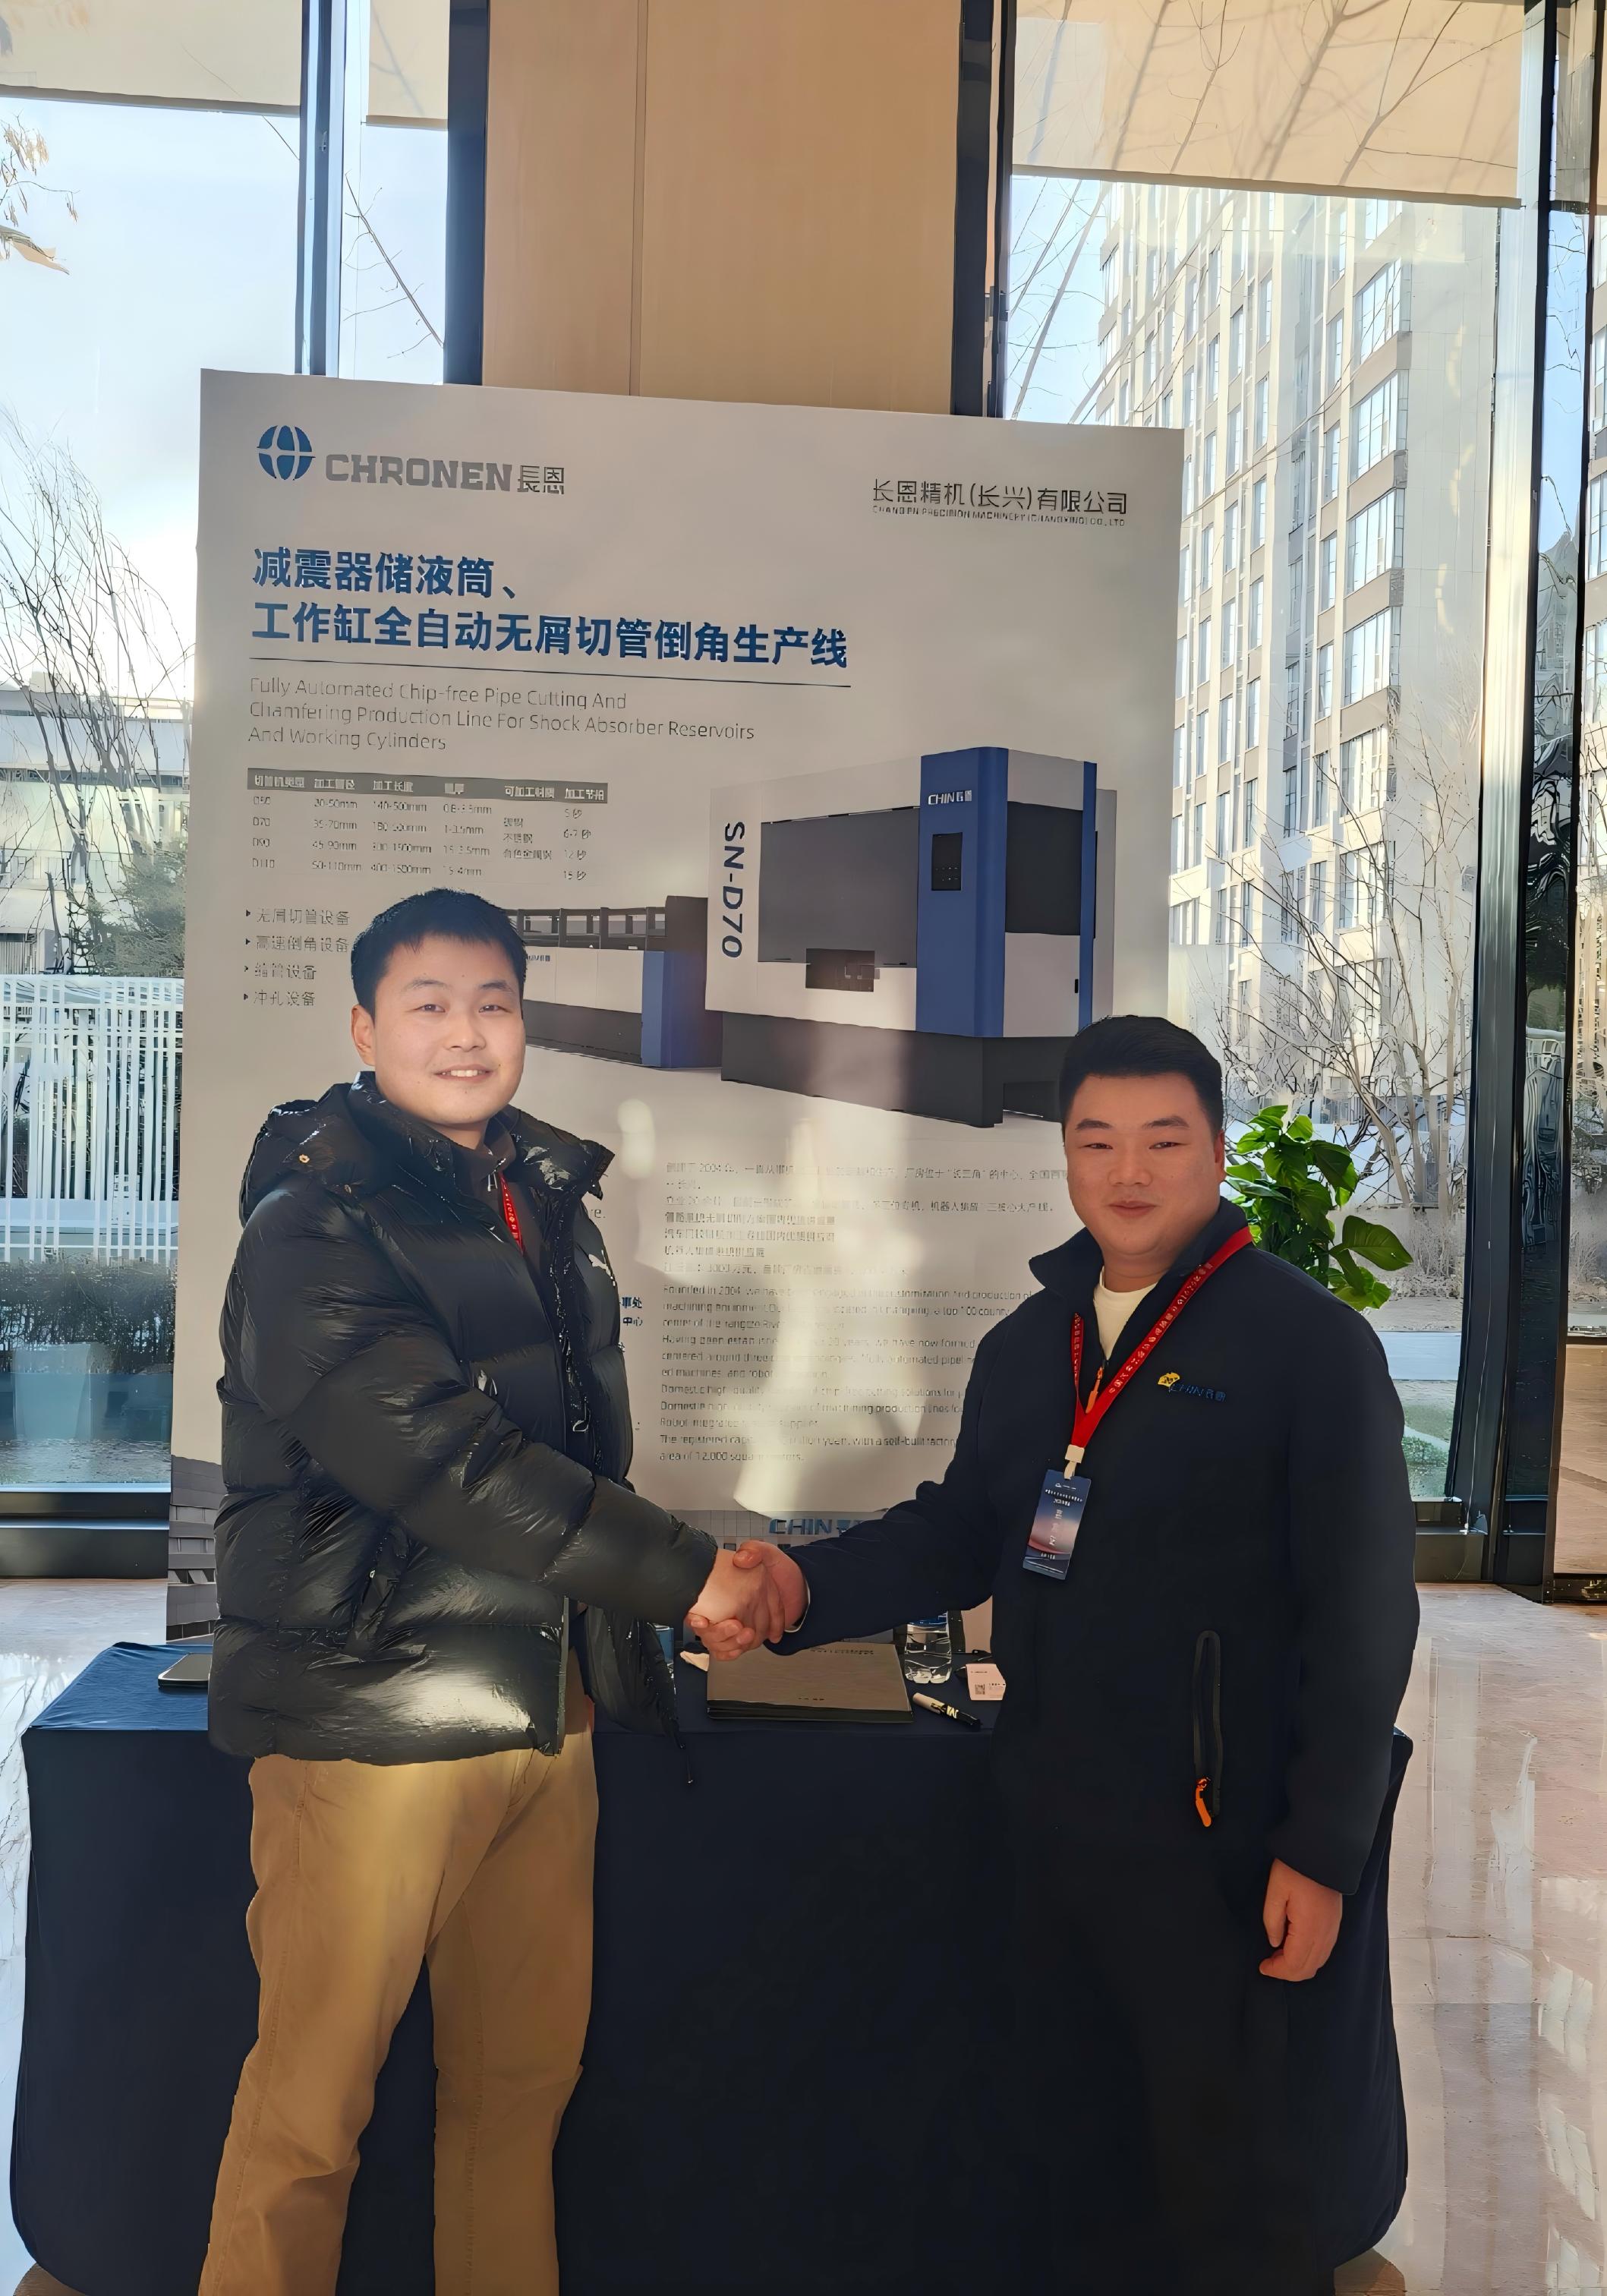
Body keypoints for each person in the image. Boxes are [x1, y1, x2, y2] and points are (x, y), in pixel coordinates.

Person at [695, 1014, 1419, 2296]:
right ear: (1067, 1157)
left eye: (1163, 1140)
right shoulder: (1033, 1342)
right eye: (1097, 1141)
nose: (1127, 1172)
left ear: (1215, 1152)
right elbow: (961, 1534)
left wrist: (1320, 1849)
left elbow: (1364, 1614)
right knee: (1075, 2157)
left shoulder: (1308, 1345)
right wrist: (801, 1584)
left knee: (1228, 2177)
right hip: (1049, 1816)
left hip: (1219, 1833)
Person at [200, 887, 781, 2296]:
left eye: (492, 1003)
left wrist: (644, 1612)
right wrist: (693, 1576)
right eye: (428, 1004)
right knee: (309, 2115)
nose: (464, 1033)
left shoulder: (543, 1198)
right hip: (371, 1724)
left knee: (518, 2097)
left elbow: (571, 1450)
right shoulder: (311, 1226)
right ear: (365, 1028)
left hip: (543, 1709)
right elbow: (451, 1462)